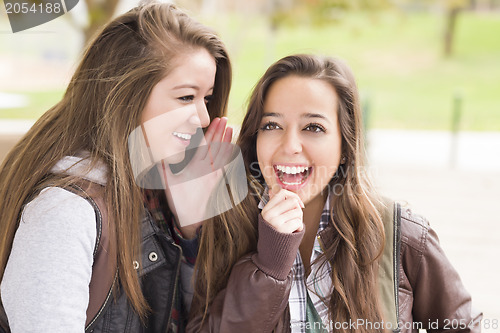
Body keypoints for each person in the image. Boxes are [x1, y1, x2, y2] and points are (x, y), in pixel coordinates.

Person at [188, 54, 482, 333]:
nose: (290, 145)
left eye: (313, 127)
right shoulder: (225, 227)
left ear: (345, 144)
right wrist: (269, 267)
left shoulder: (401, 234)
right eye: (272, 125)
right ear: (255, 138)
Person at [0, 2, 232, 332]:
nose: (204, 118)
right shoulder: (65, 212)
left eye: (206, 98)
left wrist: (190, 228)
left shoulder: (150, 188)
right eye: (185, 97)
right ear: (125, 94)